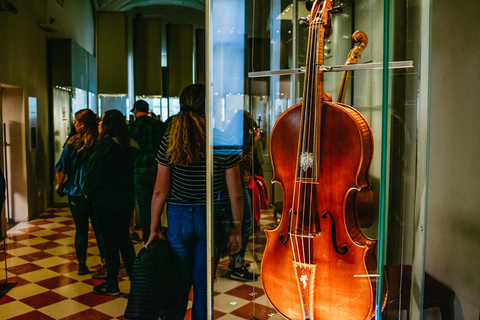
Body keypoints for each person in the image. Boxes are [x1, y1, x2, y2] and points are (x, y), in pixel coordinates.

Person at [146, 84, 244, 320]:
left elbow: (160, 190)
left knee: (178, 283)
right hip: (210, 216)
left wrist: (153, 227)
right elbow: (236, 193)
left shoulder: (171, 138)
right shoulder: (223, 139)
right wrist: (237, 229)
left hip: (178, 217)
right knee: (203, 287)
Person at [84, 110, 138, 296]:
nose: (99, 125)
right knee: (124, 240)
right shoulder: (131, 145)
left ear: (107, 125)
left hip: (106, 199)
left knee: (110, 243)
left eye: (101, 123)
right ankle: (136, 284)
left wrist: (87, 192)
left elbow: (93, 174)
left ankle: (112, 285)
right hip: (126, 198)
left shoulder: (104, 146)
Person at [54, 109, 106, 276]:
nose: (74, 124)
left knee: (81, 229)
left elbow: (61, 167)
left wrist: (59, 184)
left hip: (76, 191)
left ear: (82, 124)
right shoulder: (100, 142)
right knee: (100, 229)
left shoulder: (71, 143)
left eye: (76, 121)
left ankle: (82, 264)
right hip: (96, 191)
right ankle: (105, 262)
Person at [226, 111, 258, 281]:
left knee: (243, 224)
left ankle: (236, 261)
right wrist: (252, 143)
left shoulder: (232, 139)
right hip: (239, 184)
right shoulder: (239, 142)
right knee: (244, 225)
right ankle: (237, 265)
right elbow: (246, 163)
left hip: (237, 183)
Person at [128, 100, 164, 243]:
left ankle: (148, 236)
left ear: (136, 111)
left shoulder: (132, 127)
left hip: (139, 170)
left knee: (144, 206)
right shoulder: (158, 126)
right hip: (157, 170)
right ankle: (159, 232)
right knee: (158, 203)